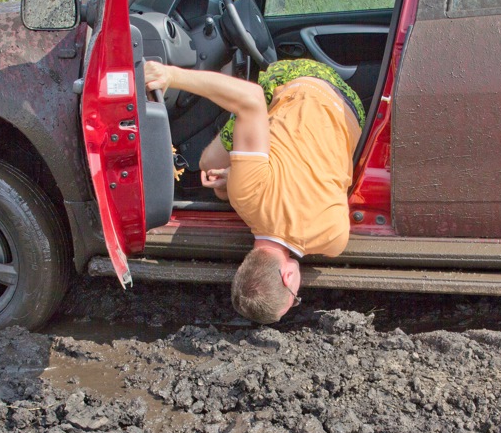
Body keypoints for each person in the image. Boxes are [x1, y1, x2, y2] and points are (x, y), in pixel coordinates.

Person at [143, 59, 365, 324]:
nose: (298, 294)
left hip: (350, 106)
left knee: (215, 168)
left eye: (295, 296)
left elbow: (317, 180)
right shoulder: (245, 196)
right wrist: (171, 74)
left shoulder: (333, 240)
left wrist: (167, 75)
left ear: (288, 277)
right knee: (207, 166)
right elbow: (250, 99)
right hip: (306, 79)